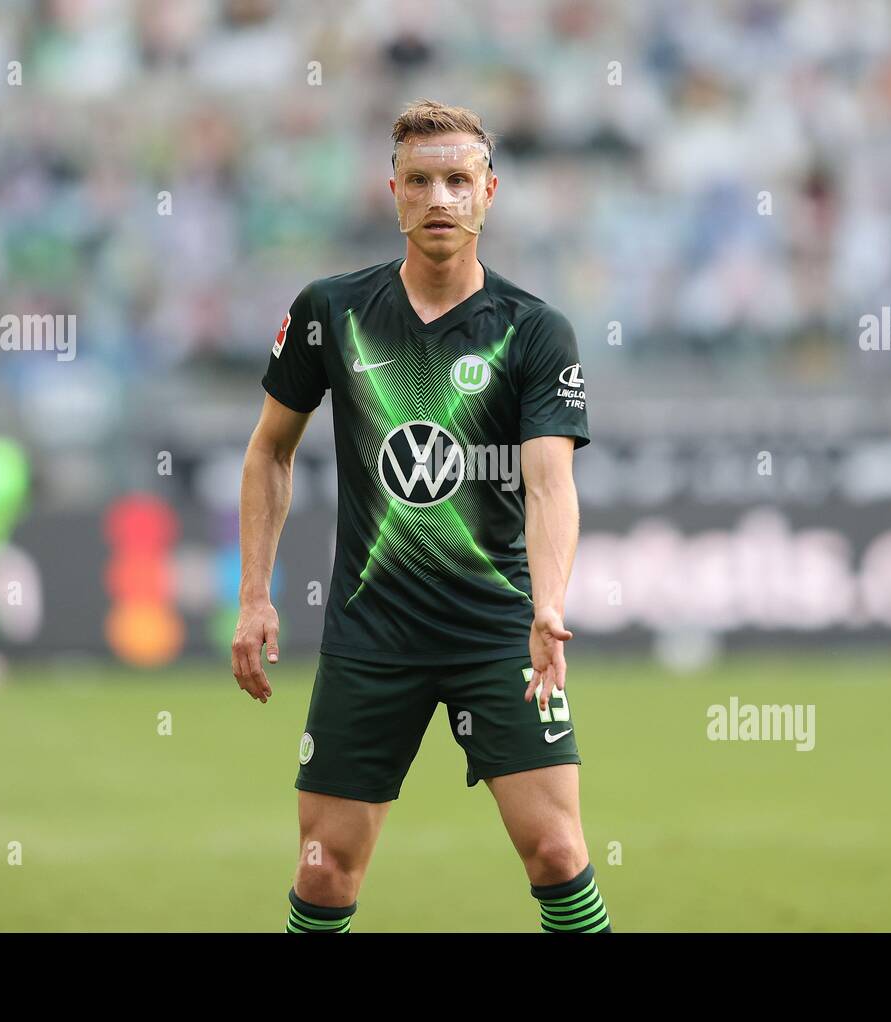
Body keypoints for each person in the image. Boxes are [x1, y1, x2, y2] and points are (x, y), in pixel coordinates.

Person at [232, 99, 609, 933]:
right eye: (421, 181)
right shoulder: (331, 313)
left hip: (497, 631)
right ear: (393, 192)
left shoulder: (536, 330)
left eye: (458, 180)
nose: (440, 198)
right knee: (325, 869)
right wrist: (255, 594)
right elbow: (269, 451)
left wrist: (548, 605)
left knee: (556, 849)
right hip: (373, 634)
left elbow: (551, 484)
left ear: (489, 191)